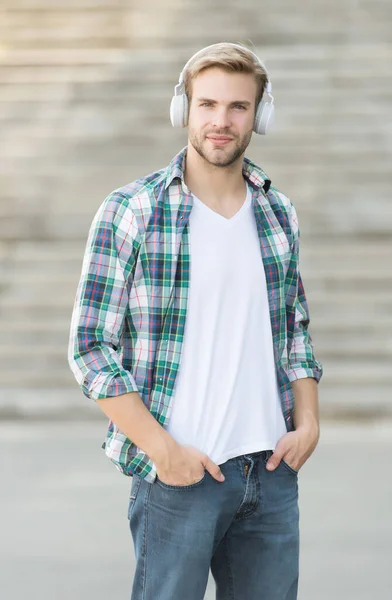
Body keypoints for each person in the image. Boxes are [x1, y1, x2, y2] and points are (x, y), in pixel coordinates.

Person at [68, 42, 323, 600]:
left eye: (238, 107)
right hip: (180, 474)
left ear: (260, 114)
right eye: (207, 104)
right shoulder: (133, 210)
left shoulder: (278, 212)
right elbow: (90, 348)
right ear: (183, 108)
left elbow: (295, 327)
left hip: (272, 474)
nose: (221, 121)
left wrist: (308, 422)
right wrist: (162, 452)